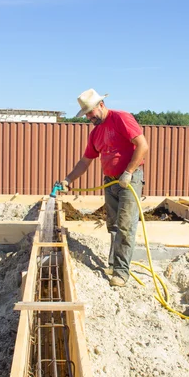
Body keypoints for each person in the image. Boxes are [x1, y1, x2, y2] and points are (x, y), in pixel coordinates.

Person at [62, 88, 148, 287]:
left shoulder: (121, 118)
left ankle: (121, 272)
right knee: (113, 225)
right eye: (86, 115)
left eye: (91, 113)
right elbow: (85, 162)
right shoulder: (95, 134)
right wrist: (68, 180)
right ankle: (112, 263)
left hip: (129, 179)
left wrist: (128, 172)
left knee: (126, 226)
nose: (89, 118)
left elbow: (143, 145)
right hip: (110, 181)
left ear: (101, 105)